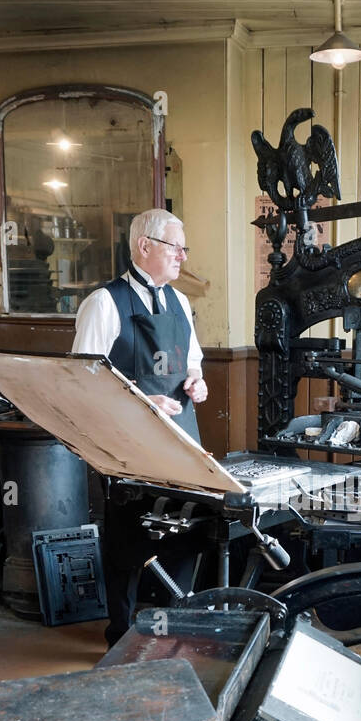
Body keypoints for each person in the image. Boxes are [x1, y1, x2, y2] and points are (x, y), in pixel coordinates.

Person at [72, 209, 208, 646]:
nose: (183, 258)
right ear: (144, 246)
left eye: (184, 249)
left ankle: (173, 630)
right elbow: (83, 379)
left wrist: (197, 380)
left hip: (179, 436)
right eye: (176, 247)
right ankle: (121, 633)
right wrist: (140, 401)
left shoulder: (180, 302)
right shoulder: (103, 303)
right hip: (128, 444)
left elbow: (192, 361)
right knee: (128, 539)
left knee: (186, 530)